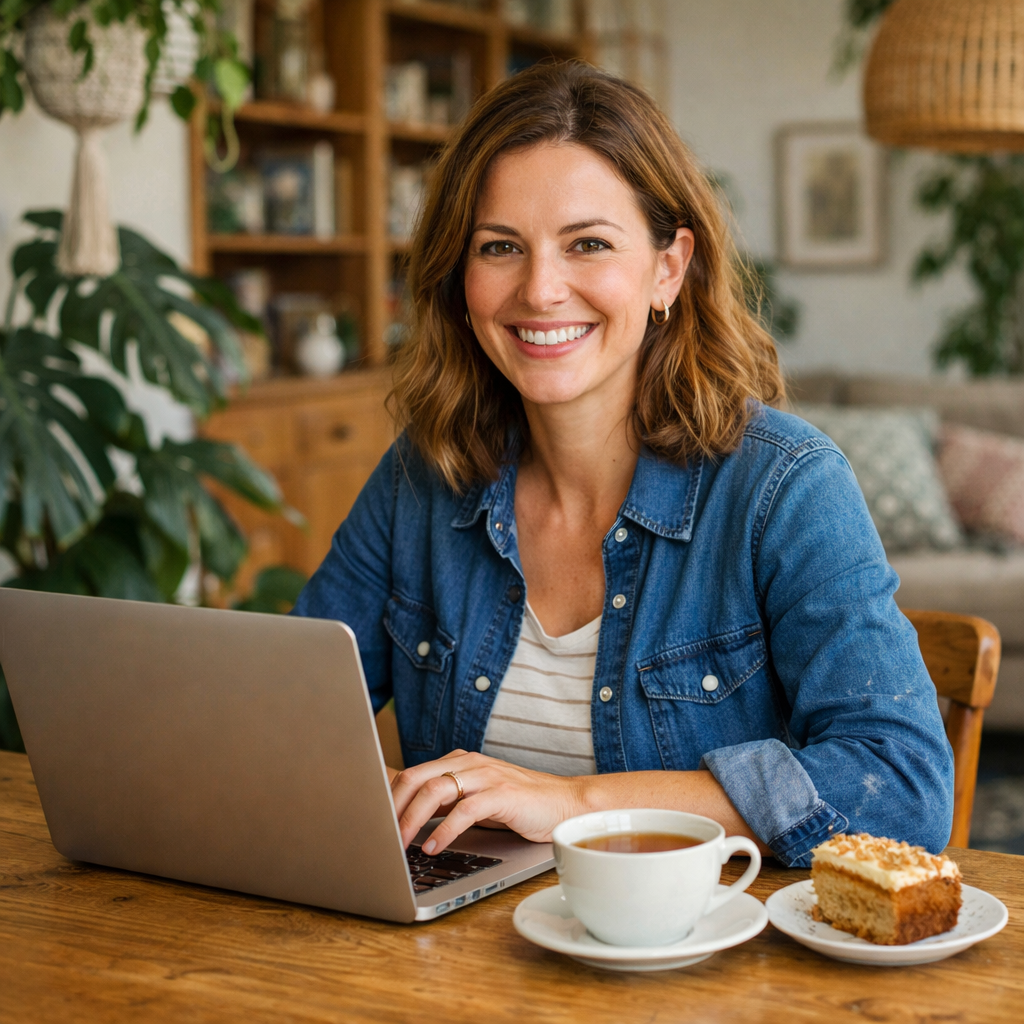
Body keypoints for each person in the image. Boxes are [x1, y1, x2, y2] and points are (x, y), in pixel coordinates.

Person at [293, 62, 953, 868]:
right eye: (500, 247)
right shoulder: (422, 477)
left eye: (589, 245)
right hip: (462, 964)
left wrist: (574, 804)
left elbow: (902, 786)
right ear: (459, 279)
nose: (540, 290)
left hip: (704, 969)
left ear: (668, 269)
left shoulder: (784, 487)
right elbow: (287, 717)